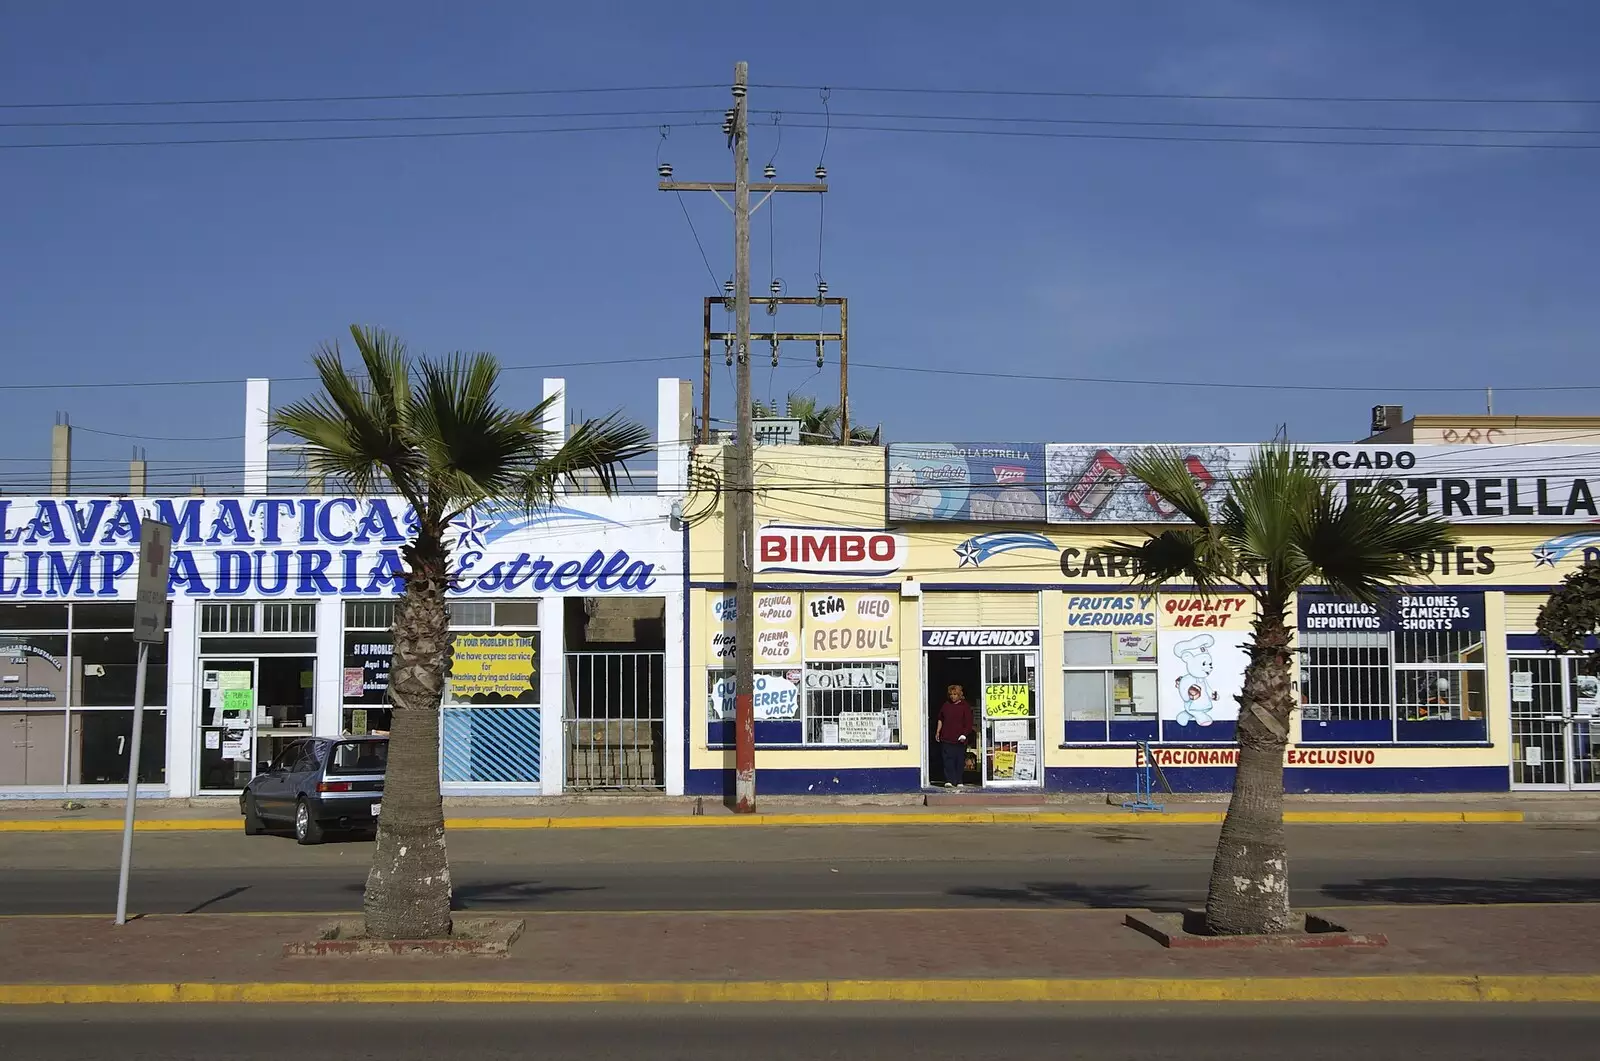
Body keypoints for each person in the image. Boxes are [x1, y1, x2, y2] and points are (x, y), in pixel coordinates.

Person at [934, 683, 975, 788]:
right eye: (951, 694)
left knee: (959, 760)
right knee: (948, 760)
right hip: (946, 737)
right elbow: (940, 719)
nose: (953, 696)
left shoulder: (965, 706)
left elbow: (969, 722)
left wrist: (964, 734)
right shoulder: (946, 705)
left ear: (960, 695)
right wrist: (938, 731)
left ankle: (959, 780)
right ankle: (949, 780)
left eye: (955, 694)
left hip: (960, 739)